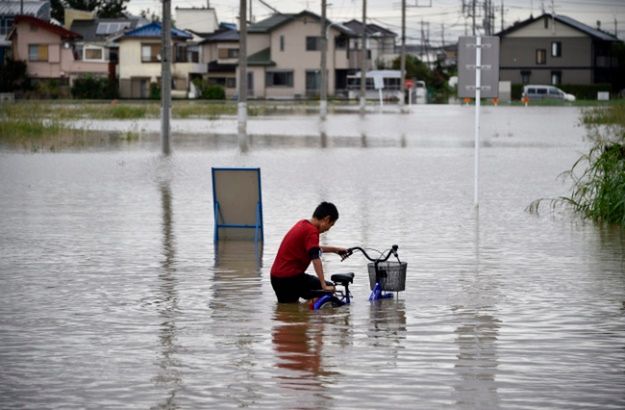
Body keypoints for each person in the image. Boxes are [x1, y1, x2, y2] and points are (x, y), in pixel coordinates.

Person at [270, 202, 347, 303]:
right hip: (290, 278)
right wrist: (323, 284)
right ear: (326, 219)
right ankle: (311, 310)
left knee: (288, 312)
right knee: (329, 288)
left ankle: (305, 312)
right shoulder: (312, 231)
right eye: (330, 225)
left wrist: (335, 250)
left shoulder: (303, 224)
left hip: (277, 278)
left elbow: (312, 248)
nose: (328, 229)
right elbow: (315, 258)